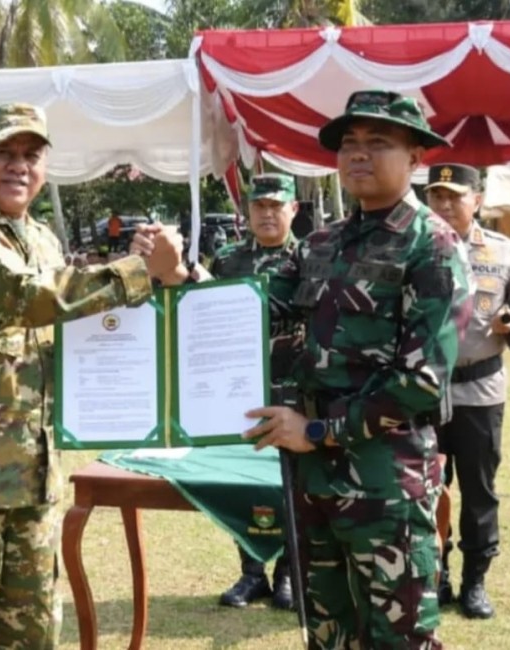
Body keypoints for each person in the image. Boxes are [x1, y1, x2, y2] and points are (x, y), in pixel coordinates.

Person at [0, 103, 186, 649]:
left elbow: (68, 335)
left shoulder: (41, 239)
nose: (18, 166)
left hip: (31, 475)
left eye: (31, 155)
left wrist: (156, 283)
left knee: (31, 635)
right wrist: (136, 272)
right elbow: (26, 298)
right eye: (3, 153)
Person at [243, 90, 473, 649]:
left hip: (385, 488)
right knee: (328, 636)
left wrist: (317, 431)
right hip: (315, 484)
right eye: (349, 144)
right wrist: (178, 280)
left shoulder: (434, 248)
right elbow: (250, 309)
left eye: (379, 143)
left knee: (400, 639)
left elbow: (420, 384)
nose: (359, 155)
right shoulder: (320, 245)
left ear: (416, 157)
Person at [425, 163, 510, 618]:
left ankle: (475, 582)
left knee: (478, 492)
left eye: (455, 195)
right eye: (437, 195)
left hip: (481, 391)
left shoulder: (504, 250)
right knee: (426, 489)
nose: (445, 204)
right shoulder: (415, 249)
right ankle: (435, 575)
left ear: (478, 198)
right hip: (424, 392)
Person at [212, 173, 301, 611]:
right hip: (238, 392)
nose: (267, 213)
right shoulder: (226, 261)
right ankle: (252, 574)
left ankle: (288, 573)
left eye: (276, 205)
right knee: (242, 483)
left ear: (293, 209)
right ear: (247, 211)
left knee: (288, 485)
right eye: (259, 206)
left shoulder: (309, 258)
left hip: (292, 391)